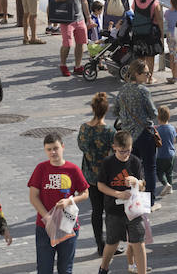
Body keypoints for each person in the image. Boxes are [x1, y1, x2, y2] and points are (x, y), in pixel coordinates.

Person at [28, 132, 90, 274]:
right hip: (45, 227)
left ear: (62, 147)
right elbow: (33, 197)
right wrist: (47, 218)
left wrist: (70, 200)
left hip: (68, 224)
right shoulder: (41, 169)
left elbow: (85, 193)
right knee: (44, 269)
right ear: (45, 150)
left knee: (65, 269)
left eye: (55, 148)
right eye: (49, 149)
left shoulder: (72, 169)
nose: (53, 152)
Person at [96, 131, 149, 274]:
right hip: (114, 210)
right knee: (112, 242)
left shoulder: (135, 161)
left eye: (128, 150)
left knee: (138, 242)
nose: (125, 154)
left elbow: (143, 185)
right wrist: (117, 193)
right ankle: (104, 268)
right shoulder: (108, 163)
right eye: (121, 151)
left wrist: (137, 182)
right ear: (114, 147)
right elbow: (100, 185)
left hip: (134, 209)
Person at [115, 59, 160, 209]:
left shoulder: (122, 90)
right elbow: (153, 113)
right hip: (144, 133)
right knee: (149, 168)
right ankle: (150, 201)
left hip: (128, 136)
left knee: (132, 168)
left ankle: (133, 199)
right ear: (137, 74)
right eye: (146, 73)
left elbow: (115, 110)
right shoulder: (143, 91)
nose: (149, 75)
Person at [77, 92, 115, 256]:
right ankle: (111, 244)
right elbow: (115, 152)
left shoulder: (84, 128)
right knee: (110, 212)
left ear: (93, 109)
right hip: (106, 177)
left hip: (90, 175)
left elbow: (81, 147)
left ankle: (100, 244)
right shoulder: (109, 131)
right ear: (106, 110)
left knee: (96, 211)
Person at [55, 0, 95, 76]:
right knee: (67, 44)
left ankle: (77, 66)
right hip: (67, 19)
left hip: (80, 19)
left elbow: (84, 1)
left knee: (80, 43)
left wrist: (88, 18)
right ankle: (63, 65)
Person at [130, 0, 164, 81]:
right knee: (150, 57)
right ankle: (149, 78)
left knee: (140, 57)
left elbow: (133, 9)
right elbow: (159, 19)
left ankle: (139, 76)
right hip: (150, 33)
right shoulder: (154, 1)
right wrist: (162, 33)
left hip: (137, 31)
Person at [156, 105, 176, 196]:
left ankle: (165, 184)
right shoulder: (172, 128)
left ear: (158, 117)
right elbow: (174, 140)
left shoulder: (158, 130)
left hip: (161, 155)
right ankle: (170, 187)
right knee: (169, 172)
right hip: (171, 154)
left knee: (159, 171)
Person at [163, 0, 177, 84]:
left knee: (171, 55)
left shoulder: (167, 12)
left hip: (170, 35)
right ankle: (175, 76)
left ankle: (172, 74)